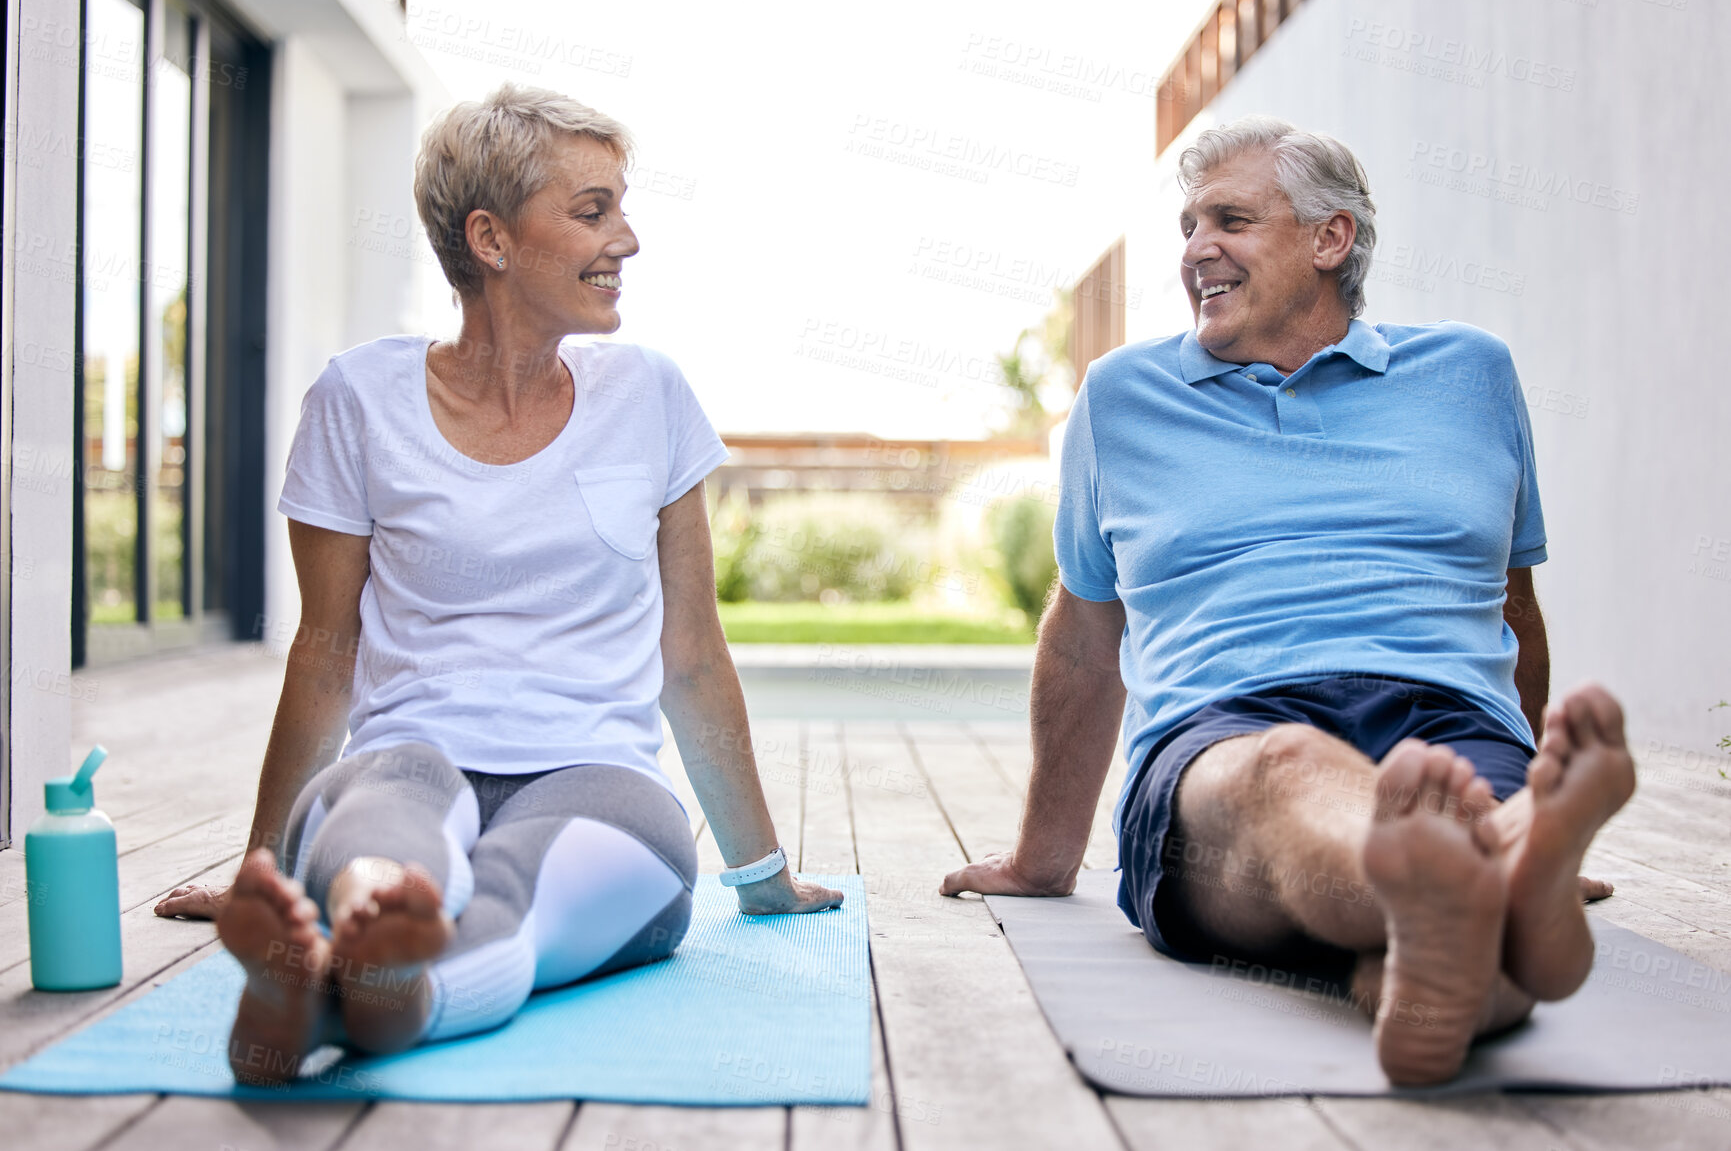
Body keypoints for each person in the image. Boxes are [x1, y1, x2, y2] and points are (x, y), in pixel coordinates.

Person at [154, 84, 841, 1085]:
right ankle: (344, 946)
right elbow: (327, 652)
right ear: (492, 238)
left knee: (523, 888)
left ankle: (359, 997)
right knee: (385, 839)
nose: (629, 240)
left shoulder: (650, 396)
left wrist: (762, 873)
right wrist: (260, 866)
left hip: (595, 776)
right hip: (410, 754)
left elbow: (690, 657)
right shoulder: (359, 399)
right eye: (593, 210)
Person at [941, 116, 1635, 1086]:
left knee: (1457, 914)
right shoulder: (1122, 396)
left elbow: (1510, 604)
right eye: (1187, 225)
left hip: (1447, 724)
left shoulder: (1472, 375)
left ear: (1330, 238)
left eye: (1229, 219)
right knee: (1289, 767)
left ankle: (1483, 891)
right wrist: (1042, 859)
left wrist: (1514, 767)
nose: (1194, 250)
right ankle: (1511, 881)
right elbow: (1085, 638)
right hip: (1224, 738)